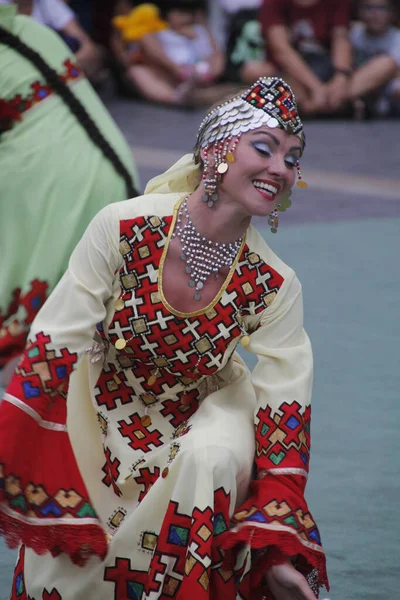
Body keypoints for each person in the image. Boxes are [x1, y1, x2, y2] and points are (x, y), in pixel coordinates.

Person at [0, 76, 329, 600]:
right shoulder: (123, 227)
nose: (279, 169)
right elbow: (59, 332)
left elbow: (285, 403)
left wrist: (276, 546)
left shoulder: (276, 282)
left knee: (213, 456)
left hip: (199, 416)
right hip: (100, 414)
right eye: (264, 149)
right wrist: (22, 444)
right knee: (64, 572)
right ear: (215, 150)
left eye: (292, 159)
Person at [0, 4, 139, 385]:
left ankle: (46, 385)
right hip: (116, 174)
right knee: (96, 302)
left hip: (52, 183)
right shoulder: (31, 29)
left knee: (29, 335)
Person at [112, 0, 229, 106]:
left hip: (199, 76)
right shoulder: (155, 32)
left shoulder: (198, 30)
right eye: (180, 13)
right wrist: (177, 70)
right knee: (138, 72)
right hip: (166, 73)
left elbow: (215, 54)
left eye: (188, 13)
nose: (186, 18)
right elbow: (142, 51)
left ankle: (200, 95)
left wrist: (209, 72)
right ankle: (177, 98)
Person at [260, 0, 353, 115]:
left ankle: (328, 100)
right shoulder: (273, 3)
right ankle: (311, 103)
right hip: (291, 74)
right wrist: (315, 88)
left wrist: (341, 77)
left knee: (381, 64)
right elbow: (281, 49)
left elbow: (341, 39)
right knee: (256, 71)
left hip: (329, 69)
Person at [0, 0, 106, 81]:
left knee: (92, 51)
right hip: (21, 70)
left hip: (57, 67)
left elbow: (85, 44)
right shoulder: (2, 10)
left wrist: (67, 65)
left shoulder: (47, 2)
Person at [350, 0, 400, 116]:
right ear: (359, 11)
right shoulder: (353, 34)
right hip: (358, 87)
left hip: (387, 94)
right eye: (368, 8)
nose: (375, 13)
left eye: (382, 8)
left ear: (392, 13)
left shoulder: (397, 39)